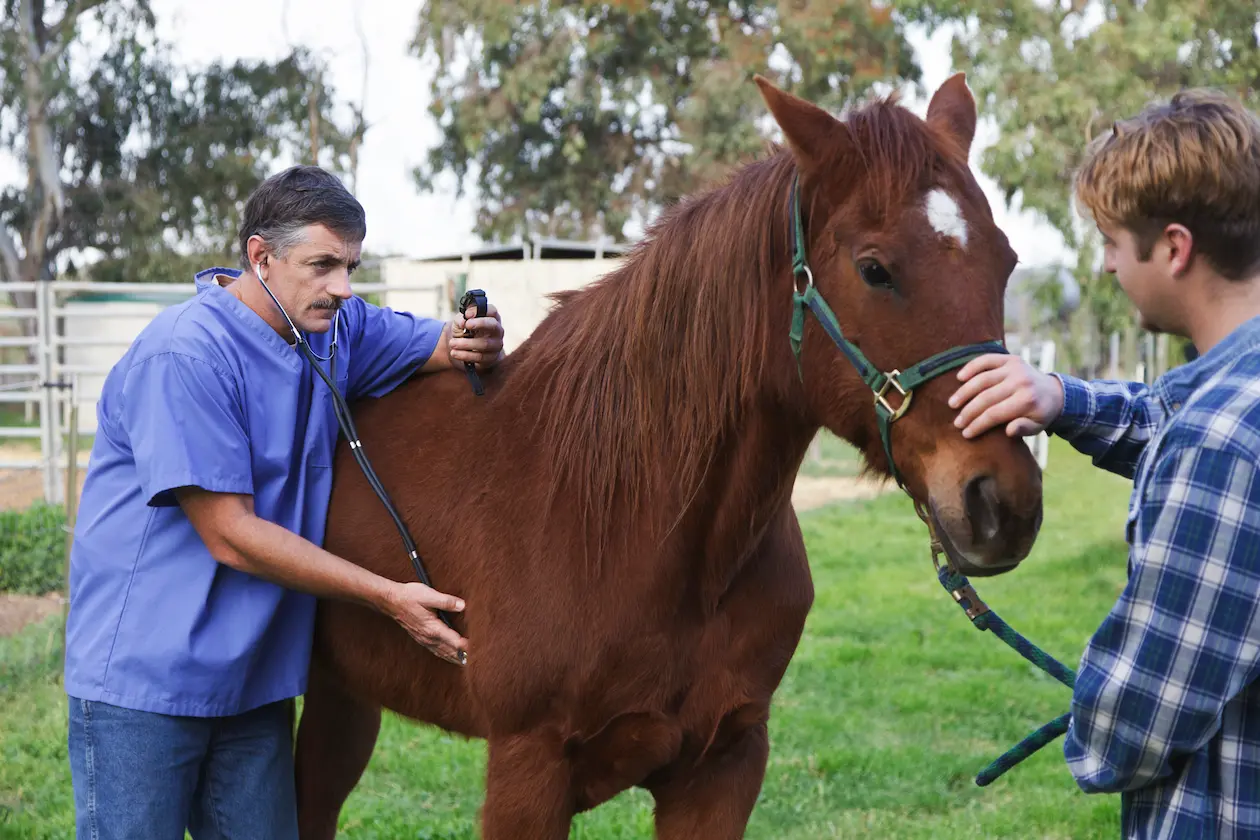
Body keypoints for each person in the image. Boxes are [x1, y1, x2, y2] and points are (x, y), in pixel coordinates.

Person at [62, 164, 505, 839]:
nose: (343, 286)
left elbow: (443, 344)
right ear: (260, 256)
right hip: (145, 686)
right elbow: (230, 534)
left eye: (352, 265)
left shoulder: (335, 330)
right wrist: (388, 597)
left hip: (252, 685)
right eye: (323, 264)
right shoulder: (184, 355)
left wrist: (477, 338)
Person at [949, 89, 1260, 838]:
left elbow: (1142, 719)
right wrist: (1057, 397)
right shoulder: (1233, 395)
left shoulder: (1221, 442)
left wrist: (1096, 724)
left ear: (1175, 249)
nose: (1109, 264)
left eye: (1114, 242)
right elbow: (1170, 416)